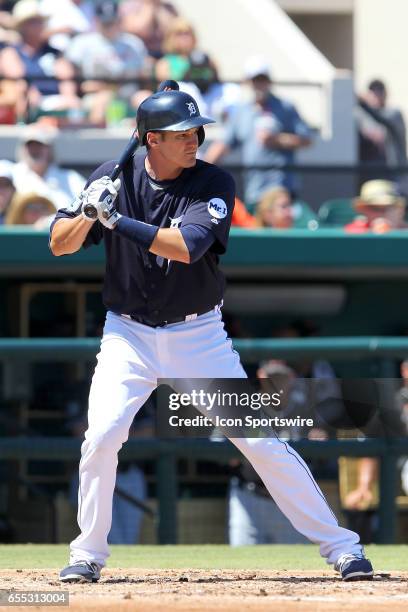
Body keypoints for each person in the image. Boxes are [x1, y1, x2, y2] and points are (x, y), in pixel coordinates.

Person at [49, 86, 373, 583]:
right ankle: (87, 553)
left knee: (260, 439)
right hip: (127, 335)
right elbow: (58, 245)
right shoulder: (111, 177)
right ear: (150, 139)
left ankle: (343, 548)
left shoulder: (213, 181)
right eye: (182, 133)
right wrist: (86, 212)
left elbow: (187, 246)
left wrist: (118, 221)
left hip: (197, 335)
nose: (194, 139)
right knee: (103, 436)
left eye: (197, 131)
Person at [205, 56, 311, 209]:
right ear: (248, 82)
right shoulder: (241, 112)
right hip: (255, 192)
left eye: (263, 79)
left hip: (284, 194)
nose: (260, 84)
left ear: (269, 81)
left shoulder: (286, 107)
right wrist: (199, 171)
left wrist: (278, 140)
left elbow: (307, 139)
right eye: (256, 80)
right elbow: (223, 145)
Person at [64, 0, 149, 125]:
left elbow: (144, 76)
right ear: (96, 21)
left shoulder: (133, 43)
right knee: (102, 101)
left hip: (128, 95)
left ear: (119, 20)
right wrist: (70, 95)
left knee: (146, 100)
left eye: (112, 22)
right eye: (105, 22)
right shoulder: (83, 43)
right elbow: (69, 69)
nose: (109, 26)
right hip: (96, 95)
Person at [0, 0, 80, 121]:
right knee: (22, 99)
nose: (39, 26)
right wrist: (32, 96)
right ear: (23, 26)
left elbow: (67, 80)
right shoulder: (11, 53)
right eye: (33, 22)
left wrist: (69, 98)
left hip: (56, 102)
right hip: (31, 104)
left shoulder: (55, 53)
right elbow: (19, 81)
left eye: (40, 22)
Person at [12, 126, 86, 210]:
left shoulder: (71, 178)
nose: (35, 150)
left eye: (39, 145)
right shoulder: (11, 176)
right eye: (30, 146)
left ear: (50, 149)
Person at [356, 79, 407, 191]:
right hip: (374, 176)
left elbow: (381, 119)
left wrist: (362, 103)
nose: (376, 97)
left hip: (397, 174)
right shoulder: (362, 116)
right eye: (373, 93)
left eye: (379, 93)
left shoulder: (394, 114)